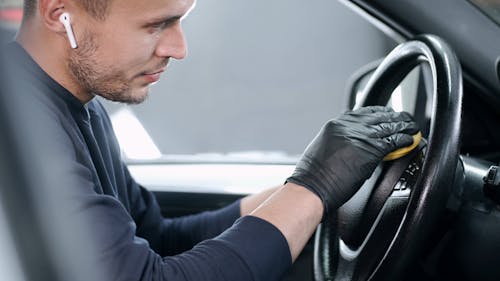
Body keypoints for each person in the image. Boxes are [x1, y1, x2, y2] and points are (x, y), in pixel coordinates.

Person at [2, 0, 418, 280]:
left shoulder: (77, 104)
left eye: (181, 19)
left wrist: (321, 178)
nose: (179, 47)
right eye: (156, 24)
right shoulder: (15, 134)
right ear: (60, 14)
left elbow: (158, 237)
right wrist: (315, 188)